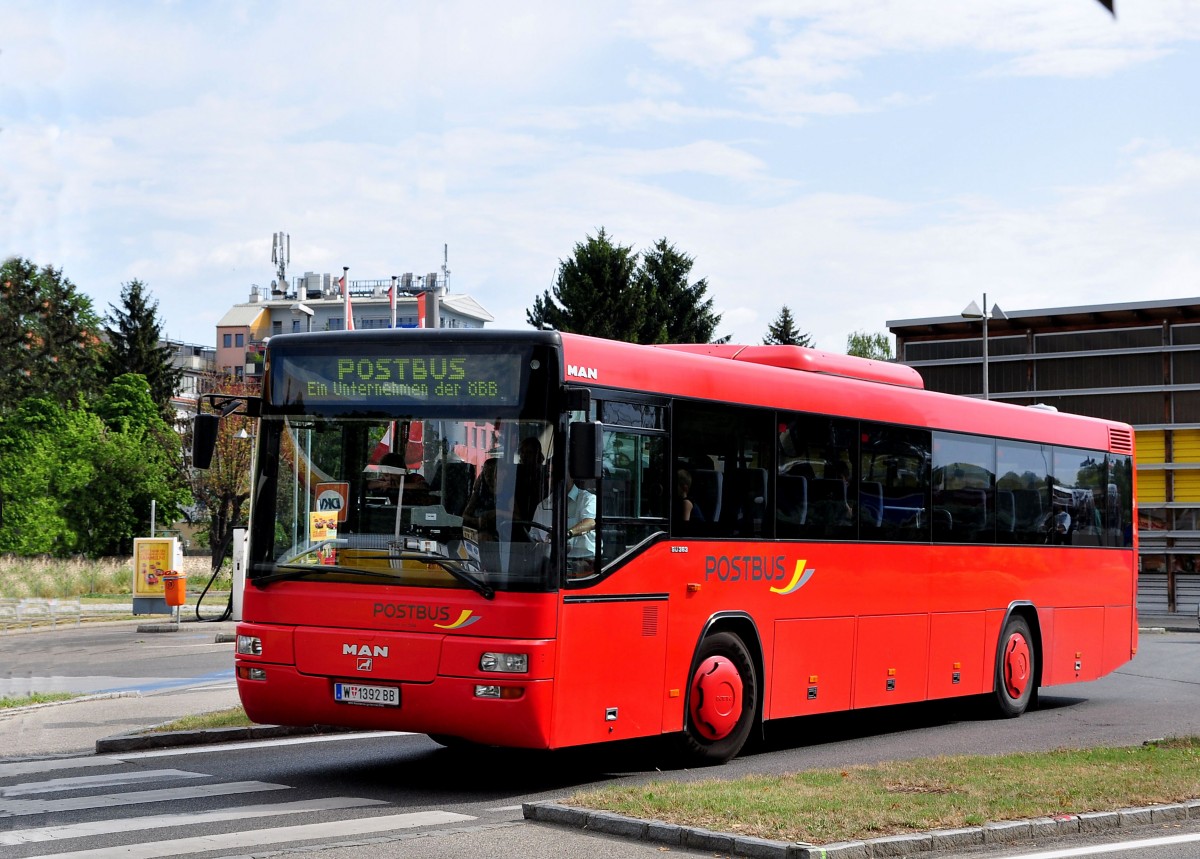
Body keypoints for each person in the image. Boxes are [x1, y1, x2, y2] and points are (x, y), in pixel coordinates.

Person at [532, 475, 596, 575]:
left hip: (584, 565)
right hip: (550, 565)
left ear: (571, 475)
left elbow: (590, 523)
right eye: (549, 475)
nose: (553, 478)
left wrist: (565, 534)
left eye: (559, 472)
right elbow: (534, 537)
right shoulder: (542, 506)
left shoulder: (588, 499)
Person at [462, 457, 499, 538]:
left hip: (497, 536)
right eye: (486, 472)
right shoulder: (479, 493)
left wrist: (495, 513)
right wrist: (477, 521)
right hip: (476, 533)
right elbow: (465, 516)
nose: (488, 476)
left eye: (492, 471)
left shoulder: (506, 494)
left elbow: (516, 517)